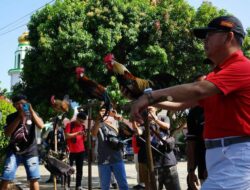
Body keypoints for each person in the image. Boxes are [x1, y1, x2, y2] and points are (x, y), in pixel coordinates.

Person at [131, 15, 250, 189]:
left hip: (236, 153)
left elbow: (197, 90)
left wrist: (149, 96)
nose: (205, 40)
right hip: (221, 155)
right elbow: (183, 104)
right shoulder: (216, 75)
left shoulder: (242, 67)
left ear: (229, 36)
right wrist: (149, 102)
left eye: (210, 34)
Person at [0, 94, 44, 190]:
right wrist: (19, 117)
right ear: (14, 106)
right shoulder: (11, 117)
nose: (21, 106)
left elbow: (41, 126)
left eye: (23, 103)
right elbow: (7, 133)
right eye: (18, 104)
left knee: (34, 178)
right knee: (6, 176)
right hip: (14, 151)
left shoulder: (33, 114)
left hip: (31, 151)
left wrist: (31, 111)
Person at [135, 106, 181, 190]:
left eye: (150, 109)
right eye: (146, 109)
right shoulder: (144, 123)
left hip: (168, 161)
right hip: (154, 165)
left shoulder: (163, 117)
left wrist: (155, 119)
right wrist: (134, 123)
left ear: (156, 109)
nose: (148, 111)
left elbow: (167, 126)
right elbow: (139, 131)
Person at [91, 107, 129, 190]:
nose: (103, 113)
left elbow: (128, 131)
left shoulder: (115, 121)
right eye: (101, 111)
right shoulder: (97, 124)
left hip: (117, 157)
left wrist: (120, 119)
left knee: (123, 184)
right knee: (104, 186)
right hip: (103, 159)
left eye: (105, 111)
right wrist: (99, 120)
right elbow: (93, 133)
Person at [186, 74, 207, 190]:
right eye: (197, 85)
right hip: (204, 169)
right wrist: (191, 170)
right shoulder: (194, 113)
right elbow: (191, 144)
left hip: (228, 166)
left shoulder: (223, 105)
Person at [64, 111, 86, 190]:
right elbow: (66, 136)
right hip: (71, 151)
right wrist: (77, 133)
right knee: (68, 169)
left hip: (81, 150)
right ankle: (67, 185)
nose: (81, 123)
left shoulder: (83, 126)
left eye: (83, 122)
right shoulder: (70, 125)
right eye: (80, 121)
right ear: (76, 118)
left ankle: (78, 186)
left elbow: (84, 139)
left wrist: (85, 135)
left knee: (80, 169)